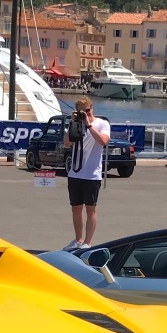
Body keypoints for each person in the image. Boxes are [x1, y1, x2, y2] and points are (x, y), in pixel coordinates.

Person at [61, 95, 110, 249]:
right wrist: (73, 123)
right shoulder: (76, 125)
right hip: (75, 173)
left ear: (92, 108)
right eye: (82, 112)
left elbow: (103, 141)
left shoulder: (102, 123)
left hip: (92, 174)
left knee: (90, 209)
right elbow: (67, 144)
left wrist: (89, 125)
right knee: (76, 208)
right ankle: (78, 240)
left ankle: (88, 243)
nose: (86, 114)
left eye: (87, 111)